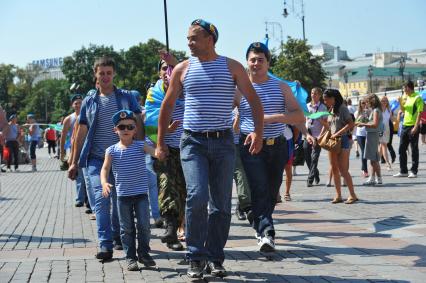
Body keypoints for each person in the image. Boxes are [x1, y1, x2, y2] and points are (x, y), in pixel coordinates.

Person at [156, 20, 264, 278]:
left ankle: (215, 257)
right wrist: (160, 142)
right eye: (188, 38)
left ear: (210, 39)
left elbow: (254, 101)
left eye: (194, 38)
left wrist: (258, 132)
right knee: (196, 196)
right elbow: (166, 107)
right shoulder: (182, 69)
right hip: (192, 142)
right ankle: (195, 257)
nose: (189, 43)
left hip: (224, 142)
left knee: (221, 205)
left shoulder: (232, 67)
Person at [68, 57, 143, 261]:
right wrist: (74, 161)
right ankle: (105, 244)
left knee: (120, 201)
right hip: (96, 160)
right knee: (101, 200)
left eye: (109, 72)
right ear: (96, 75)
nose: (105, 76)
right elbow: (80, 133)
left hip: (122, 158)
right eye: (102, 73)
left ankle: (118, 236)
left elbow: (138, 122)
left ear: (114, 74)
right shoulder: (89, 102)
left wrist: (142, 149)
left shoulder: (127, 97)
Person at [238, 42, 305, 253]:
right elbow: (224, 111)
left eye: (260, 60)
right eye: (252, 59)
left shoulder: (280, 87)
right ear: (247, 62)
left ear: (268, 63)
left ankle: (260, 225)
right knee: (259, 188)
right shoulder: (239, 87)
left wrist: (271, 118)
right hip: (249, 146)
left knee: (271, 191)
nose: (256, 63)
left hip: (276, 145)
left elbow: (298, 115)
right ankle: (267, 234)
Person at [101, 110, 156, 271]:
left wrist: (161, 140)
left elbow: (156, 153)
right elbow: (105, 169)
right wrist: (104, 183)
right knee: (127, 229)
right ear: (115, 130)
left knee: (145, 226)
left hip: (141, 195)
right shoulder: (111, 150)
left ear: (135, 130)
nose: (126, 129)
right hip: (123, 196)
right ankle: (130, 257)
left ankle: (144, 253)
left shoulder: (141, 145)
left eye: (130, 126)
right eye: (122, 126)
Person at [147, 55, 186, 251]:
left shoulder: (189, 88)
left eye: (172, 67)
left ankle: (184, 228)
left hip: (191, 149)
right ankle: (170, 229)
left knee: (186, 193)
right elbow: (150, 121)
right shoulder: (154, 93)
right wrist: (164, 130)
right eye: (164, 68)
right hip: (166, 149)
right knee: (167, 185)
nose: (167, 71)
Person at [321, 89, 357, 204]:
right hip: (333, 141)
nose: (325, 101)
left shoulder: (343, 108)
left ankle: (352, 195)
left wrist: (338, 133)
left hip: (344, 140)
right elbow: (330, 126)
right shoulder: (331, 109)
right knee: (334, 168)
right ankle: (338, 195)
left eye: (326, 99)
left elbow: (351, 124)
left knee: (343, 169)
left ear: (333, 98)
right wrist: (321, 132)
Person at [61, 94, 88, 208]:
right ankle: (80, 198)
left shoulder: (87, 115)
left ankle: (87, 199)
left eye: (80, 102)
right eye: (76, 103)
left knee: (87, 174)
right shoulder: (69, 119)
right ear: (72, 105)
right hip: (74, 149)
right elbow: (63, 135)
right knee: (78, 174)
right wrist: (62, 152)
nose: (78, 105)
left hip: (86, 148)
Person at [393, 81, 424, 178]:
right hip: (405, 125)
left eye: (404, 88)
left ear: (409, 88)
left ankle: (414, 171)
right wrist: (400, 102)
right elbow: (403, 110)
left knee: (414, 149)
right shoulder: (407, 97)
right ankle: (403, 171)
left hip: (412, 125)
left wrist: (416, 127)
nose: (404, 90)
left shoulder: (417, 97)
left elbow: (420, 113)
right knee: (402, 148)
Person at [357, 94, 383, 186]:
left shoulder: (375, 110)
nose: (366, 103)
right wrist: (365, 122)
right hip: (371, 134)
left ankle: (374, 178)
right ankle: (377, 178)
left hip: (372, 134)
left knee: (373, 159)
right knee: (373, 158)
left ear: (371, 101)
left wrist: (363, 124)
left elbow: (375, 124)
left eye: (367, 101)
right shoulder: (375, 110)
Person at [305, 87, 328, 187]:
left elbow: (326, 125)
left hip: (318, 136)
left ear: (319, 95)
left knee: (314, 158)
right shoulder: (307, 106)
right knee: (307, 157)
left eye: (315, 94)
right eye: (312, 93)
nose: (313, 95)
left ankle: (310, 179)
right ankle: (315, 173)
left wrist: (318, 119)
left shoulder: (323, 108)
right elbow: (304, 120)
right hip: (308, 135)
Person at [355, 99, 369, 177]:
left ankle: (363, 168)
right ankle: (365, 170)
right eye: (363, 103)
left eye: (365, 103)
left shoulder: (368, 111)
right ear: (360, 104)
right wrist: (361, 122)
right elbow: (355, 123)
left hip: (367, 133)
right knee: (364, 151)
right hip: (360, 134)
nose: (364, 104)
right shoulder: (357, 113)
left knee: (366, 152)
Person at [379, 96, 392, 170]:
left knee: (382, 146)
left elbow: (391, 119)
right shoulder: (378, 110)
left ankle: (376, 160)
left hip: (387, 129)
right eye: (382, 101)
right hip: (380, 128)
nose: (384, 102)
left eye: (385, 101)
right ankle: (387, 163)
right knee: (384, 145)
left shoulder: (388, 110)